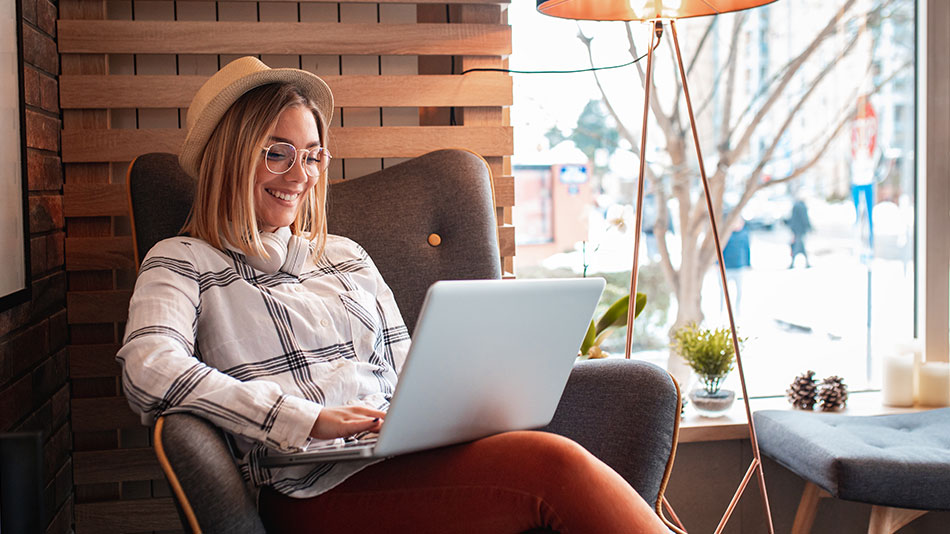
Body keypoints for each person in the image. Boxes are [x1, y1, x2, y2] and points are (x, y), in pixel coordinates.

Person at [116, 57, 671, 534]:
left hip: (406, 459)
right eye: (276, 152)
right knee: (552, 466)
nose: (300, 175)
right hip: (309, 490)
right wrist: (307, 418)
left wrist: (454, 406)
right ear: (229, 155)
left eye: (312, 155)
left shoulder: (346, 255)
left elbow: (409, 367)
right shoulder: (182, 260)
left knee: (555, 455)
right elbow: (148, 367)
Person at [786, 197, 812, 268]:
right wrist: (810, 227)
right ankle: (794, 263)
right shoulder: (803, 207)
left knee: (799, 246)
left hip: (795, 230)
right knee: (797, 247)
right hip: (800, 231)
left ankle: (805, 263)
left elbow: (792, 218)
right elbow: (805, 218)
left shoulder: (795, 206)